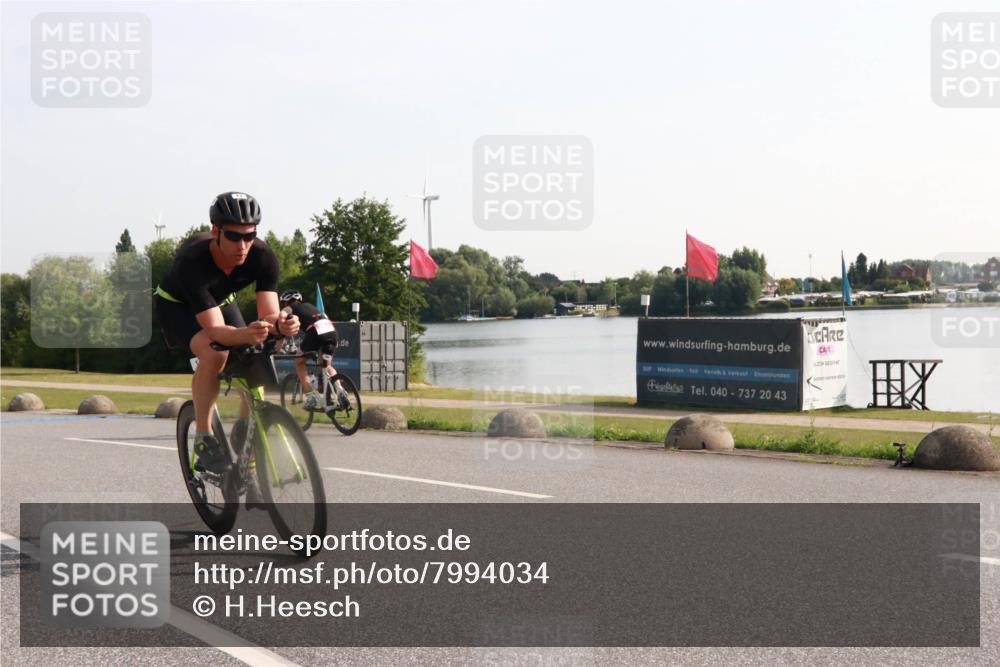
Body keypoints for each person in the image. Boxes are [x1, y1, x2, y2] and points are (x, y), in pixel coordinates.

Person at [155, 192, 299, 480]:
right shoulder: (192, 261)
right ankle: (205, 437)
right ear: (215, 232)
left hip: (220, 301)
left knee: (254, 357)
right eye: (233, 237)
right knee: (216, 352)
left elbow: (269, 314)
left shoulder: (263, 256)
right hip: (177, 306)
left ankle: (246, 431)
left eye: (249, 236)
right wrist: (246, 333)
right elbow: (217, 332)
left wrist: (282, 324)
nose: (243, 245)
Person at [278, 291, 347, 409]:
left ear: (285, 303)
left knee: (299, 362)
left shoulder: (292, 307)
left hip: (316, 331)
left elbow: (281, 316)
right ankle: (340, 390)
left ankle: (311, 397)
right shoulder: (310, 306)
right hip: (331, 330)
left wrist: (279, 330)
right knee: (326, 365)